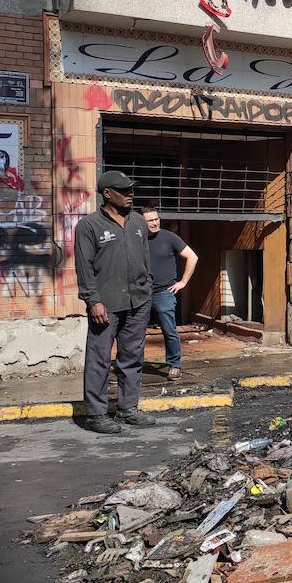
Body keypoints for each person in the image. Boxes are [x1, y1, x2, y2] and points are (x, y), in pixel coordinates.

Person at [75, 170, 156, 435]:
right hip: (106, 304)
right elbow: (84, 266)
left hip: (138, 301)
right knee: (99, 358)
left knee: (132, 356)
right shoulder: (89, 226)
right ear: (107, 193)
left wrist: (148, 289)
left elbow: (145, 258)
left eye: (132, 190)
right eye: (125, 191)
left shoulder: (138, 223)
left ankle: (127, 409)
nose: (131, 195)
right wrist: (93, 300)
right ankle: (96, 415)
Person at [142, 208, 198, 381]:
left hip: (164, 292)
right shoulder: (138, 239)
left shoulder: (168, 237)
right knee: (134, 332)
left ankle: (174, 365)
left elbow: (192, 257)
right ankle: (133, 366)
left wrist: (182, 282)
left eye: (156, 219)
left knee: (169, 330)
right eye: (150, 220)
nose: (154, 222)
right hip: (141, 293)